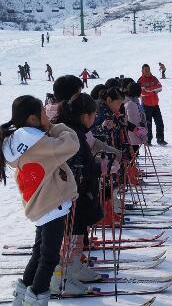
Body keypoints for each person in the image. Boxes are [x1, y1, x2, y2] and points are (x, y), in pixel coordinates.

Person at [1, 95, 79, 305]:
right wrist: (54, 127)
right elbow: (71, 143)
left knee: (39, 254)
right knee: (49, 258)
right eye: (43, 113)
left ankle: (22, 296)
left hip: (39, 205)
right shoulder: (40, 143)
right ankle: (35, 299)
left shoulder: (19, 141)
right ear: (33, 119)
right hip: (52, 204)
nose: (47, 115)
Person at [50, 93, 103, 295]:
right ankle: (61, 276)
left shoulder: (78, 131)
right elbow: (73, 165)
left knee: (78, 232)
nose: (94, 119)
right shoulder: (72, 133)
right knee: (69, 235)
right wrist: (98, 168)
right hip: (71, 193)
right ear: (84, 115)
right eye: (93, 115)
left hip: (80, 193)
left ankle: (73, 268)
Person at [138, 64, 167, 146]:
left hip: (155, 104)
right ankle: (148, 140)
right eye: (145, 70)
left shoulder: (154, 78)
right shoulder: (140, 81)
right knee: (148, 124)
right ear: (142, 71)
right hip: (146, 105)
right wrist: (154, 90)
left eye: (148, 70)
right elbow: (141, 93)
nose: (147, 72)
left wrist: (149, 90)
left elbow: (160, 88)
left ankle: (160, 139)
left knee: (160, 123)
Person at [124, 82, 148, 153]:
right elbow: (134, 121)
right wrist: (143, 136)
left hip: (132, 135)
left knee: (133, 155)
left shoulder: (131, 102)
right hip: (133, 136)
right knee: (133, 155)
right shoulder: (132, 104)